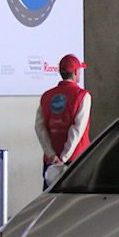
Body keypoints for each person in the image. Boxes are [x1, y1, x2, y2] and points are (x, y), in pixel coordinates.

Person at [35, 54, 91, 189]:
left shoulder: (46, 96)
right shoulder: (82, 95)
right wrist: (63, 159)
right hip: (77, 160)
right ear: (76, 72)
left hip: (51, 162)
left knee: (50, 203)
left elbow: (39, 128)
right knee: (76, 204)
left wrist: (52, 156)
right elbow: (77, 130)